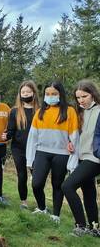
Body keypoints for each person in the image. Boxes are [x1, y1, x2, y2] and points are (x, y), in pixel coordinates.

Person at [26, 80, 79, 224]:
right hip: (42, 152)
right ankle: (42, 208)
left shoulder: (70, 111)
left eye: (54, 94)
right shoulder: (40, 112)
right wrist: (29, 160)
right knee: (36, 184)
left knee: (57, 185)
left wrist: (73, 162)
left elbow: (74, 138)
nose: (50, 96)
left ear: (60, 94)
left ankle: (56, 214)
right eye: (47, 94)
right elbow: (32, 138)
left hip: (62, 154)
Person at [61, 80, 100, 237]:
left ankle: (81, 225)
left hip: (95, 158)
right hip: (81, 157)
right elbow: (78, 136)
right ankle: (94, 228)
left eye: (84, 96)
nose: (81, 100)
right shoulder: (80, 112)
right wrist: (71, 144)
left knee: (67, 186)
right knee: (89, 193)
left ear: (93, 94)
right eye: (78, 97)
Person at [2, 80, 40, 209]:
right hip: (19, 148)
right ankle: (23, 202)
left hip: (37, 149)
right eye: (23, 92)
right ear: (20, 94)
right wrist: (6, 136)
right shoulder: (15, 111)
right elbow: (11, 130)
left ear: (34, 93)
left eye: (28, 92)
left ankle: (40, 204)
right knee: (22, 175)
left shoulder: (41, 111)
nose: (25, 94)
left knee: (37, 177)